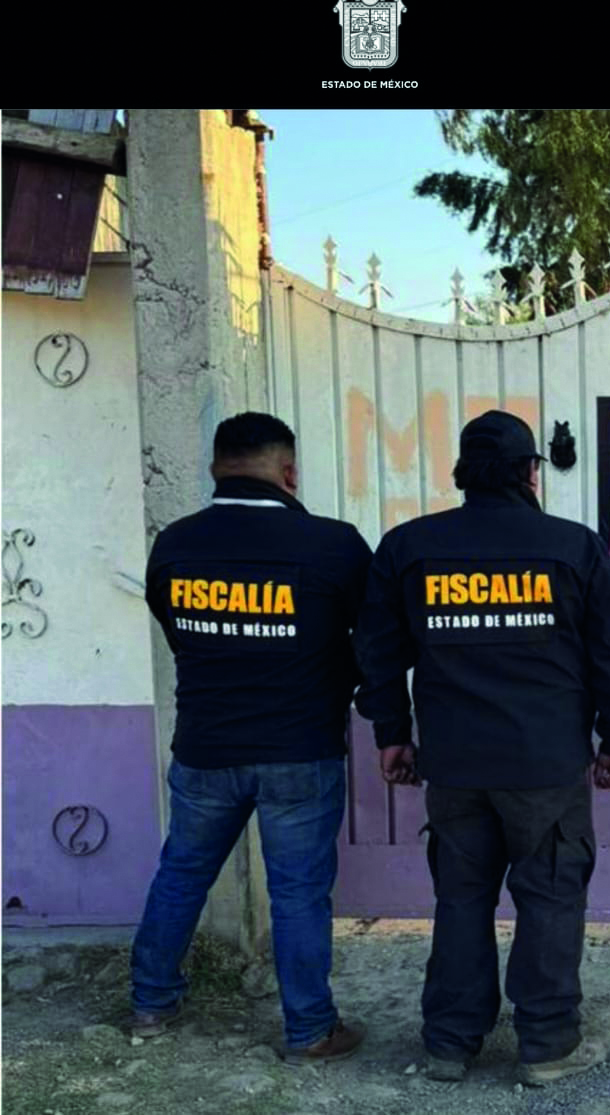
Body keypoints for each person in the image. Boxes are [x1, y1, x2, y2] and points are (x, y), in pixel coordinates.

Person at [353, 410, 610, 1088]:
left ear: (462, 473)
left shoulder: (409, 547)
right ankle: (546, 1044)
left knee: (461, 898)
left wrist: (392, 733)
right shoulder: (572, 546)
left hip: (454, 766)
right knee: (550, 898)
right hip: (546, 766)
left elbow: (377, 650)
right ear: (530, 472)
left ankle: (449, 1044)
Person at [133, 412, 370, 1064]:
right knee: (298, 892)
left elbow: (176, 631)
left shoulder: (175, 544)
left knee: (182, 873)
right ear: (289, 472)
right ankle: (310, 1029)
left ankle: (151, 1002)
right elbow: (372, 638)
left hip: (205, 747)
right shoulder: (334, 545)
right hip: (301, 748)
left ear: (216, 468)